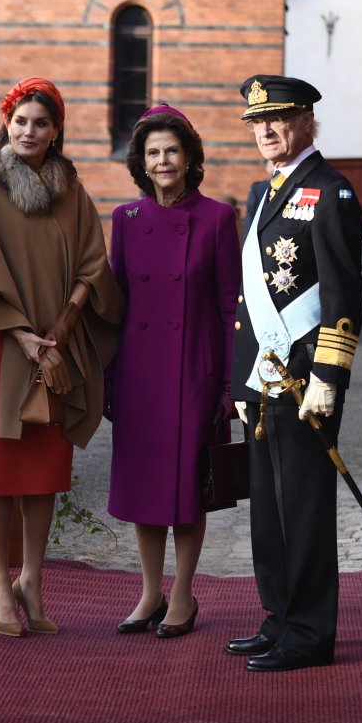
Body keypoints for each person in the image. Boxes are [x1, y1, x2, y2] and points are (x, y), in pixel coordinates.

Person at [0, 78, 122, 637]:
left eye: (41, 123)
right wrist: (24, 337)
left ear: (56, 130)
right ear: (6, 123)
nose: (29, 131)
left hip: (58, 348)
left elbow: (94, 264)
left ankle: (33, 580)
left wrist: (63, 329)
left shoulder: (72, 191)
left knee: (46, 468)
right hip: (2, 345)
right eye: (21, 121)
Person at [227, 74, 362, 672]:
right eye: (257, 122)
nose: (266, 131)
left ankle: (310, 634)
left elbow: (343, 293)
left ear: (308, 120)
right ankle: (279, 617)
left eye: (278, 119)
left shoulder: (331, 192)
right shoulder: (265, 191)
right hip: (265, 378)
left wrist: (328, 380)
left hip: (305, 381)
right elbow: (248, 296)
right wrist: (241, 381)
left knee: (304, 509)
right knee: (269, 509)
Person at [106, 105, 241, 638]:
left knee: (188, 485)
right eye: (153, 152)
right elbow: (116, 305)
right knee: (144, 483)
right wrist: (109, 377)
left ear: (189, 158)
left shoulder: (216, 219)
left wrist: (230, 383)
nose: (163, 161)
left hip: (194, 369)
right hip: (139, 371)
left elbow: (232, 306)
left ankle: (183, 593)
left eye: (172, 151)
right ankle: (149, 592)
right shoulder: (125, 220)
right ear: (142, 161)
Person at [242, 160, 276, 231]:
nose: (275, 166)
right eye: (272, 164)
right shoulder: (258, 188)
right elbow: (250, 216)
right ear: (266, 167)